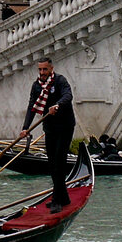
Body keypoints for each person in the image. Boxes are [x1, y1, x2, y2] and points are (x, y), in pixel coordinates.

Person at [20, 56, 75, 212]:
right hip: (50, 128)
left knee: (59, 162)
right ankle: (63, 197)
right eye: (40, 69)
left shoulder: (60, 81)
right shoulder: (36, 86)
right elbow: (32, 106)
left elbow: (68, 96)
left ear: (51, 68)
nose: (42, 72)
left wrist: (57, 105)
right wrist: (25, 128)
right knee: (52, 164)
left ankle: (57, 200)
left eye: (45, 69)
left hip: (65, 127)